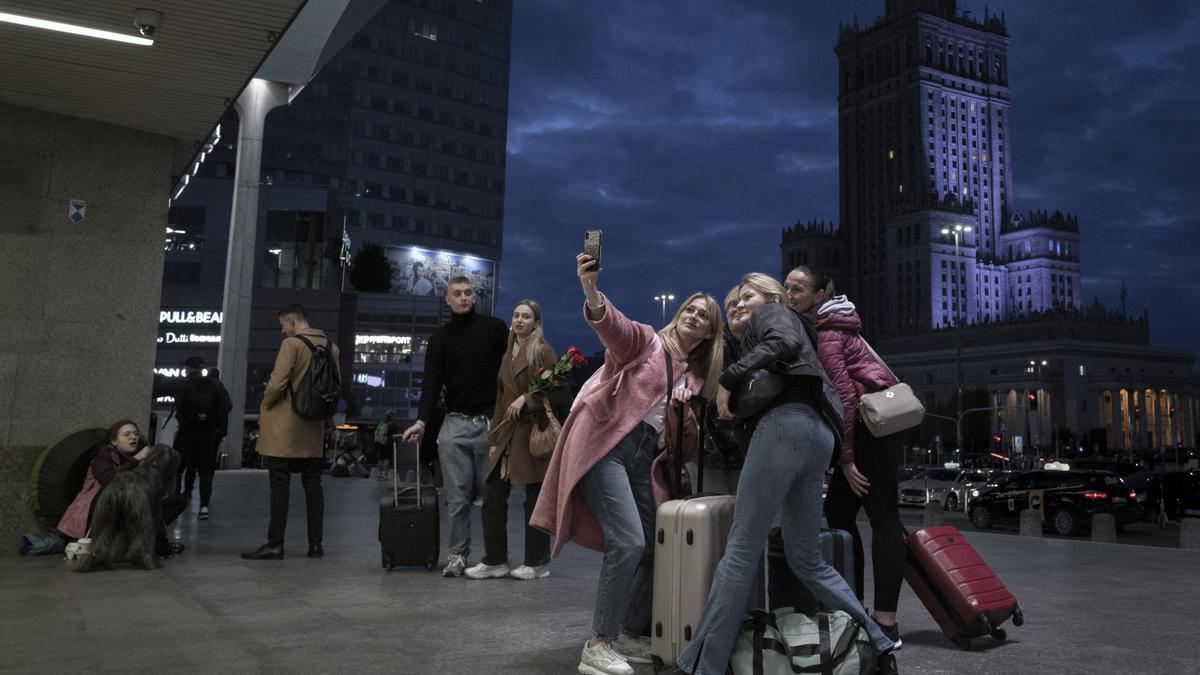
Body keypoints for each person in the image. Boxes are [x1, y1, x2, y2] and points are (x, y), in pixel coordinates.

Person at [675, 273, 894, 675]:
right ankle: (879, 644)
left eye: (747, 297)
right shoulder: (786, 332)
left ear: (772, 297)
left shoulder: (774, 314)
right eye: (734, 303)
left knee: (739, 554)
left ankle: (702, 667)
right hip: (817, 437)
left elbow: (783, 342)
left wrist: (727, 379)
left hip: (785, 428)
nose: (738, 306)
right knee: (807, 557)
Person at [531, 252, 723, 675]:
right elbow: (614, 328)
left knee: (658, 546)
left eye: (703, 315)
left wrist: (684, 412)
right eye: (689, 308)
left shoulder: (693, 377)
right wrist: (591, 290)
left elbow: (685, 448)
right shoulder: (649, 343)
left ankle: (629, 632)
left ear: (711, 331)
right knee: (629, 541)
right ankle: (599, 643)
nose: (693, 316)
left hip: (643, 458)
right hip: (605, 447)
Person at [786, 265, 905, 671]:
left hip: (869, 430)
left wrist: (848, 459)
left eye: (798, 288)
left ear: (820, 294)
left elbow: (845, 400)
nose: (789, 293)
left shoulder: (828, 334)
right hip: (874, 429)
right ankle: (854, 606)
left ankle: (885, 622)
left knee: (884, 518)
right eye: (786, 287)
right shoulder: (834, 322)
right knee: (840, 514)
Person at [401, 276, 508, 577]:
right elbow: (431, 385)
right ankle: (457, 556)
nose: (462, 298)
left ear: (475, 297)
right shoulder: (440, 339)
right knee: (457, 497)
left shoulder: (495, 329)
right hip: (455, 425)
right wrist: (421, 421)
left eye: (467, 293)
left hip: (490, 425)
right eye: (456, 294)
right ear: (447, 300)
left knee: (492, 498)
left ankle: (495, 558)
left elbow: (511, 372)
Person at [465, 299, 565, 581]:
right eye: (516, 315)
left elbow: (560, 393)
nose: (519, 320)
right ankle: (495, 560)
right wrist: (494, 436)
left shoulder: (543, 352)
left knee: (534, 502)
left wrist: (528, 398)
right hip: (506, 434)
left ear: (536, 322)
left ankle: (536, 563)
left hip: (531, 435)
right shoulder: (509, 353)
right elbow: (500, 400)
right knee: (493, 497)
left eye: (526, 316)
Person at [242, 305, 341, 560]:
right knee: (313, 484)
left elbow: (277, 383)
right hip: (313, 427)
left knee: (279, 485)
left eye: (282, 325)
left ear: (292, 320)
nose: (282, 331)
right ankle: (315, 545)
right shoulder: (332, 348)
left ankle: (275, 543)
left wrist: (265, 405)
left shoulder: (292, 345)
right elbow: (334, 386)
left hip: (286, 426)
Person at [57, 420, 186, 556]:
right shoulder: (102, 457)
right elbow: (109, 480)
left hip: (132, 506)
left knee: (177, 501)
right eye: (127, 434)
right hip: (100, 508)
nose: (133, 437)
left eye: (136, 434)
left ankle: (154, 534)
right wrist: (136, 459)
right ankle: (157, 544)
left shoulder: (140, 459)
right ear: (114, 441)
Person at [688, 285, 750, 495]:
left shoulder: (763, 346)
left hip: (745, 451)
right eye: (733, 304)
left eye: (744, 303)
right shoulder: (712, 346)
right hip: (709, 450)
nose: (738, 308)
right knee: (712, 516)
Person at [173, 356, 232, 520]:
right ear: (202, 368)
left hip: (186, 433)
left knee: (179, 468)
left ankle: (177, 501)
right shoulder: (215, 384)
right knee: (206, 471)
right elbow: (228, 406)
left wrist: (185, 423)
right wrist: (214, 423)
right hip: (207, 434)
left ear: (188, 369)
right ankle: (204, 506)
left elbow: (179, 409)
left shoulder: (184, 384)